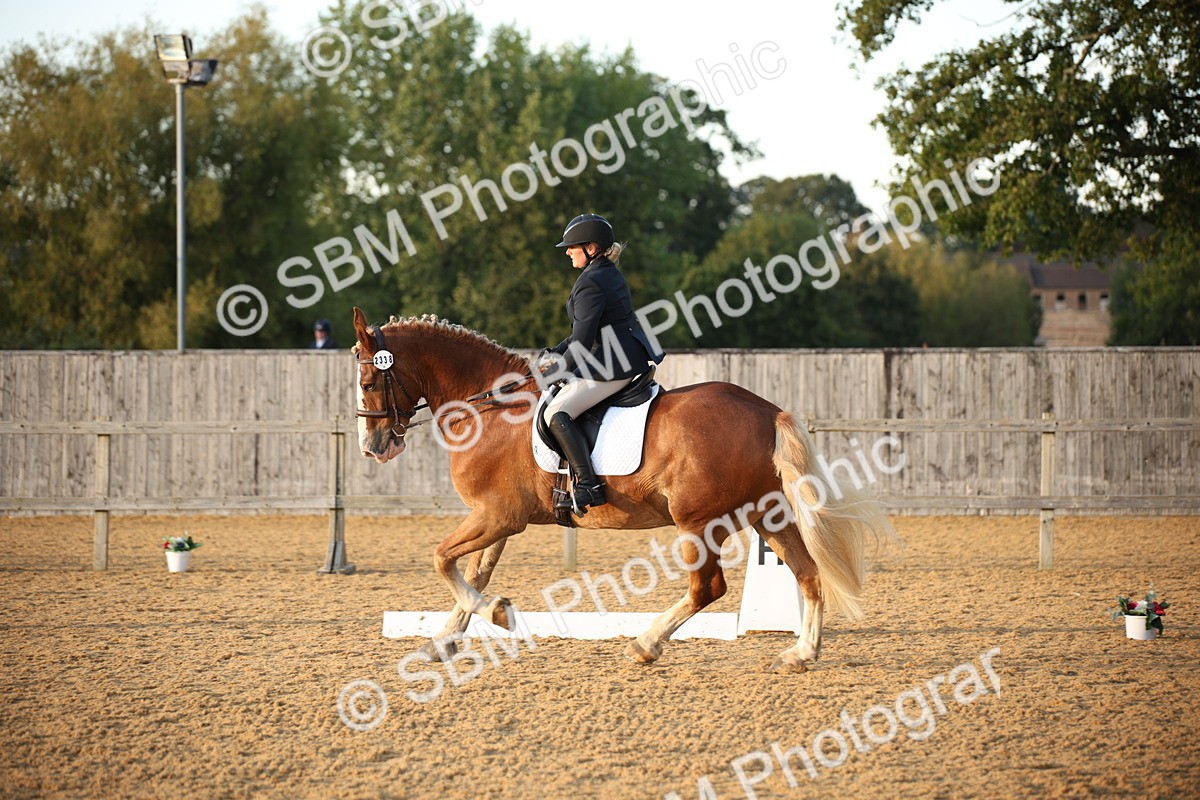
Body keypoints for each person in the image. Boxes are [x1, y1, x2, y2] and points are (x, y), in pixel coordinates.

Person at [539, 213, 663, 514]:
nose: (567, 251)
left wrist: (556, 373)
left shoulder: (591, 282)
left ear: (591, 248)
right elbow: (584, 332)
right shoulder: (605, 272)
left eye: (572, 246)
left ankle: (588, 485)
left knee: (556, 413)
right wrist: (554, 353)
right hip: (623, 354)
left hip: (613, 363)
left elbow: (582, 342)